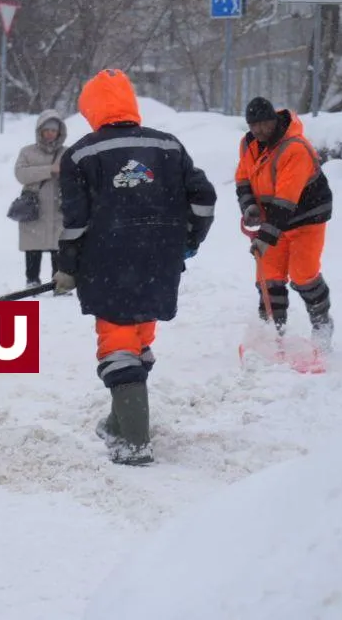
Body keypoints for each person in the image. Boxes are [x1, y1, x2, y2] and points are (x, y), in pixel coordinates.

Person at [54, 69, 216, 466]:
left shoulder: (80, 154)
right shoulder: (169, 146)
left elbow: (75, 221)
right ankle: (118, 426)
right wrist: (189, 240)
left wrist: (67, 266)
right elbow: (204, 200)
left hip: (108, 262)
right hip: (160, 262)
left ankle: (135, 445)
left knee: (118, 344)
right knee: (139, 339)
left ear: (92, 108)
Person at [234, 96, 335, 348]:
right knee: (269, 278)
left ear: (274, 121)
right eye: (253, 126)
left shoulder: (295, 148)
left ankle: (322, 323)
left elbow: (285, 201)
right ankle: (273, 333)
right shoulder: (248, 144)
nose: (258, 131)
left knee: (303, 275)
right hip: (274, 219)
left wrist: (266, 238)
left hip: (306, 218)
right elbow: (243, 178)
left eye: (264, 125)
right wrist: (249, 207)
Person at [14, 109, 68, 287]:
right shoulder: (27, 152)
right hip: (34, 206)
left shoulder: (67, 153)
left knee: (59, 245)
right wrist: (49, 169)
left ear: (59, 132)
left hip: (59, 205)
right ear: (40, 131)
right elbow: (21, 174)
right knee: (32, 245)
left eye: (54, 130)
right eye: (47, 130)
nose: (50, 134)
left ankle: (58, 282)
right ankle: (32, 280)